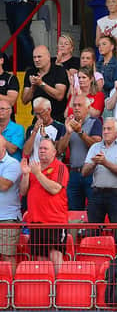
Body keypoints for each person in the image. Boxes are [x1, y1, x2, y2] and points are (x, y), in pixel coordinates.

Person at [19, 138, 68, 270]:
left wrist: (38, 174)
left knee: (55, 255)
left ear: (54, 152)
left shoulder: (60, 167)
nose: (42, 151)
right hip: (36, 221)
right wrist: (25, 175)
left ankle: (60, 287)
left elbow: (55, 189)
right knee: (40, 258)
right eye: (40, 148)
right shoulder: (34, 168)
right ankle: (46, 289)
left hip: (54, 221)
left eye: (45, 148)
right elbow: (23, 191)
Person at [82, 117, 117, 242]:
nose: (105, 132)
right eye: (104, 129)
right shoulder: (95, 147)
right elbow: (84, 172)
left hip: (116, 193)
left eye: (109, 129)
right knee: (93, 230)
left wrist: (104, 162)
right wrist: (94, 163)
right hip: (97, 192)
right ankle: (93, 256)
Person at [58, 95, 102, 211]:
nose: (76, 108)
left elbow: (96, 145)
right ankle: (74, 230)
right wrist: (68, 133)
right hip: (74, 173)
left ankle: (93, 230)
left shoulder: (95, 122)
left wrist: (80, 132)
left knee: (94, 210)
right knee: (73, 211)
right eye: (74, 105)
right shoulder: (68, 123)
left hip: (91, 173)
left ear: (88, 107)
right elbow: (60, 150)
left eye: (80, 105)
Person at [22, 46, 69, 123]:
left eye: (39, 57)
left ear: (48, 57)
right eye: (34, 57)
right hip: (38, 119)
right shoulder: (30, 72)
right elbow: (24, 100)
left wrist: (41, 84)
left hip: (57, 118)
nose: (36, 60)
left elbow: (59, 95)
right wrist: (33, 87)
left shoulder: (59, 71)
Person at [0, 135, 22, 271]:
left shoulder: (12, 164)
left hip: (7, 218)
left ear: (3, 148)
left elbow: (4, 185)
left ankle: (10, 290)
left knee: (7, 256)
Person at [23, 97, 65, 162]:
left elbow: (58, 151)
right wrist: (34, 132)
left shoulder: (60, 127)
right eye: (35, 114)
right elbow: (26, 152)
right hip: (34, 168)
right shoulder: (31, 129)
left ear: (49, 110)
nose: (38, 117)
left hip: (52, 169)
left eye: (40, 113)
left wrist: (46, 136)